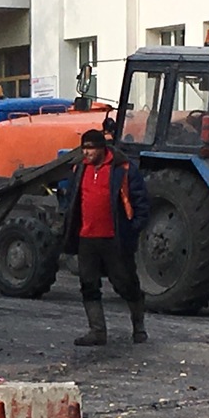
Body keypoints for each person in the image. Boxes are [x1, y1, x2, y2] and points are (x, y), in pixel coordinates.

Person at [63, 129, 150, 345]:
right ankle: (97, 332)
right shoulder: (79, 168)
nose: (87, 152)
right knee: (88, 284)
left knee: (126, 284)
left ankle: (139, 327)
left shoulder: (124, 169)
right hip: (87, 238)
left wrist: (132, 229)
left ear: (102, 148)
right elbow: (71, 199)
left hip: (115, 239)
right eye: (85, 148)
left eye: (91, 148)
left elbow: (141, 202)